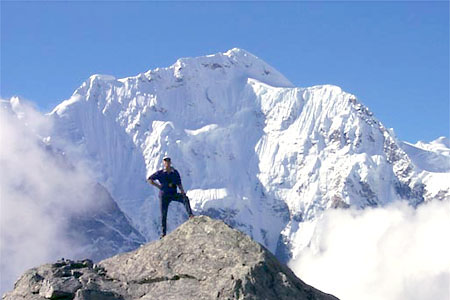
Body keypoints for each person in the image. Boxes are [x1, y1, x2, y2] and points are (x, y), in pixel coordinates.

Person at [147, 156, 194, 238]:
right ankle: (163, 233)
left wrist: (182, 192)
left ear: (170, 162)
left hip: (173, 194)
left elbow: (179, 183)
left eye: (168, 161)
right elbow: (150, 179)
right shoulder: (160, 173)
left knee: (185, 199)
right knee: (163, 214)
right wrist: (158, 186)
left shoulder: (175, 173)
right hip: (164, 196)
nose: (167, 163)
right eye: (165, 161)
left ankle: (190, 215)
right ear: (163, 163)